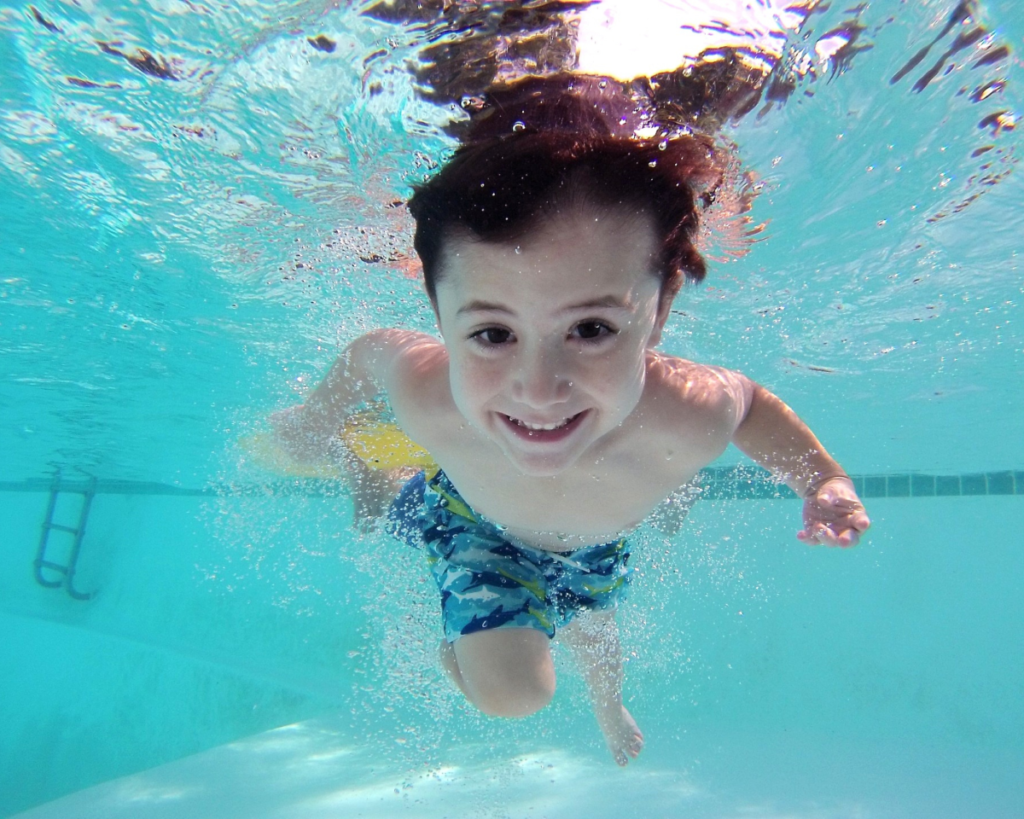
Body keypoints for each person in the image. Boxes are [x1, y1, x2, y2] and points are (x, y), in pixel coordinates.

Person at [270, 127, 871, 767]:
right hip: (476, 527)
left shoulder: (688, 410)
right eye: (493, 333)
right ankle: (382, 494)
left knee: (594, 628)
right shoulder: (428, 394)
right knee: (515, 693)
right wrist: (316, 419)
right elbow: (368, 353)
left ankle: (609, 708)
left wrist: (822, 480)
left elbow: (750, 405)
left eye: (590, 329)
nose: (538, 391)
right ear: (439, 315)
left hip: (595, 542)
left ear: (661, 309)